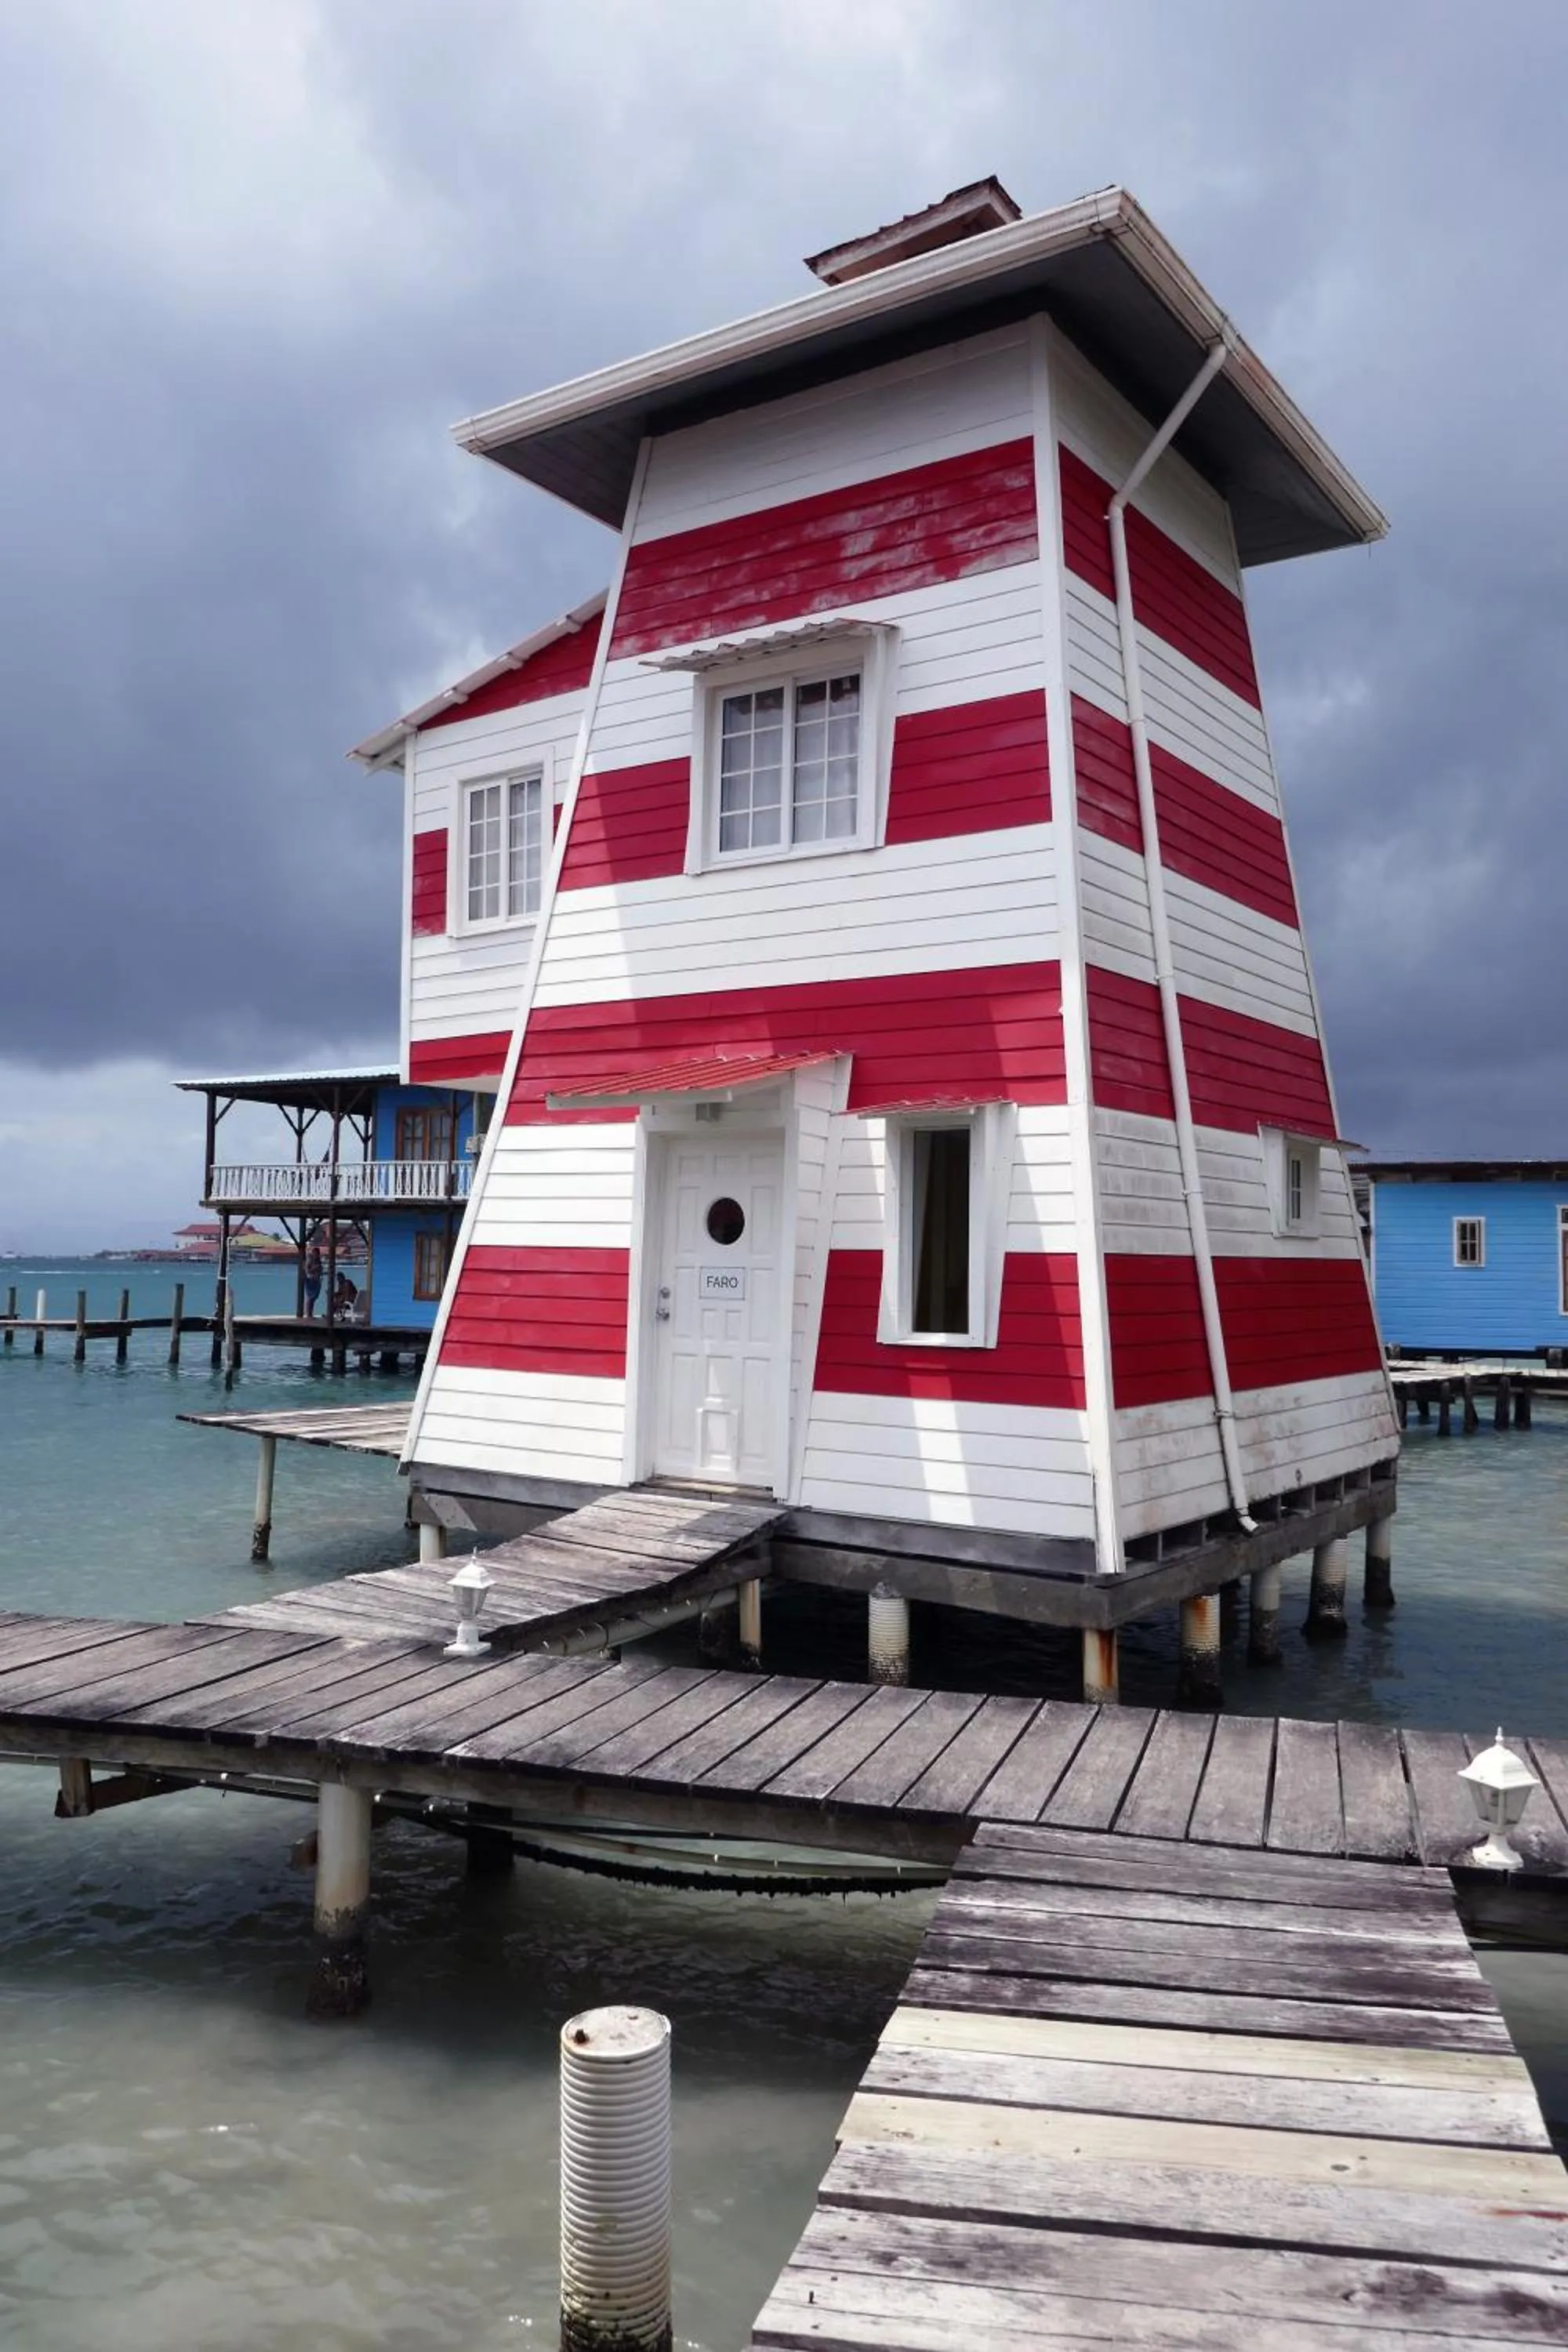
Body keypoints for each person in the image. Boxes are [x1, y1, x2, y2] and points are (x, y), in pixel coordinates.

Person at [303, 1239, 323, 1319]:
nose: (317, 1255)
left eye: (318, 1253)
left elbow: (320, 1270)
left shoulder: (318, 1260)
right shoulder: (310, 1260)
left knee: (314, 1298)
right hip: (311, 1279)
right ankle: (308, 1314)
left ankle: (311, 1313)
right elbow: (307, 1271)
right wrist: (315, 1268)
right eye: (316, 1253)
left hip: (317, 1280)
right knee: (310, 1297)